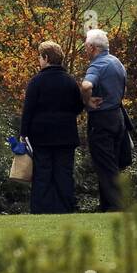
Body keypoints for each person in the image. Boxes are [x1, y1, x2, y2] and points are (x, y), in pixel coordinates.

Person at [19, 40, 84, 213]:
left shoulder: (36, 82)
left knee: (42, 174)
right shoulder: (70, 81)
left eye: (40, 57)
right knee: (64, 174)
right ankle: (66, 208)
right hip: (66, 135)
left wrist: (23, 134)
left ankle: (40, 209)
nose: (39, 60)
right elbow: (79, 106)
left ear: (46, 58)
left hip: (41, 136)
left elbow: (28, 110)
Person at [79, 28, 130, 212]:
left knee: (105, 165)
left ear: (93, 47)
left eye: (86, 45)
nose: (85, 49)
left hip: (101, 119)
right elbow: (123, 89)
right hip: (118, 117)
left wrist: (87, 101)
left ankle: (117, 206)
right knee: (111, 161)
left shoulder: (97, 65)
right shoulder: (117, 62)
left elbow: (86, 86)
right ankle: (106, 206)